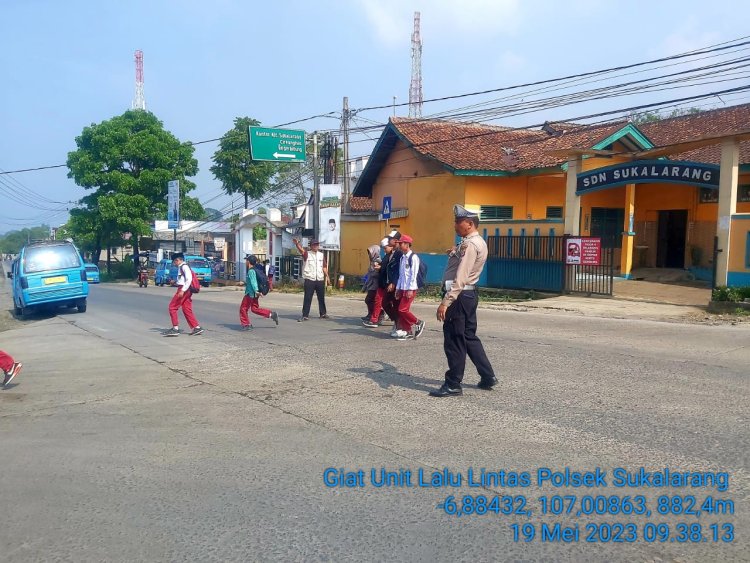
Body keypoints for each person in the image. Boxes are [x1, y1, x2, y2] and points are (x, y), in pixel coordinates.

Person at [429, 205, 497, 397]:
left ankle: (453, 383)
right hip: (468, 296)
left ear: (470, 224)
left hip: (459, 296)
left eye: (458, 222)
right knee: (469, 337)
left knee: (455, 339)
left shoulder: (470, 245)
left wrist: (446, 301)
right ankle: (488, 376)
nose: (455, 225)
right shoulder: (472, 243)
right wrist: (455, 252)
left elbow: (461, 276)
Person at [394, 235, 426, 341]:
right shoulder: (402, 258)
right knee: (402, 310)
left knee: (402, 309)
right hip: (403, 287)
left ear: (407, 244)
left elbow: (413, 275)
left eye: (401, 243)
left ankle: (418, 322)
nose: (399, 245)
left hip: (410, 288)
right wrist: (398, 289)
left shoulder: (413, 257)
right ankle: (407, 331)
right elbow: (401, 275)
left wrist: (411, 289)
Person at [164, 252, 204, 337]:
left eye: (174, 261)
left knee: (172, 307)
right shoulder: (182, 267)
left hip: (184, 290)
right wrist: (175, 282)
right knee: (186, 309)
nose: (174, 263)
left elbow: (188, 279)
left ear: (178, 260)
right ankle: (196, 327)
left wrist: (182, 290)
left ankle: (175, 328)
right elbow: (182, 279)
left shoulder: (184, 266)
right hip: (185, 289)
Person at [239, 255, 279, 331]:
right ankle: (271, 314)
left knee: (243, 309)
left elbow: (254, 282)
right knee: (254, 309)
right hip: (254, 294)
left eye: (246, 261)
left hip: (250, 294)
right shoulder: (255, 270)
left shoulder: (251, 271)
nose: (245, 262)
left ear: (249, 262)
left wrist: (256, 291)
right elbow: (252, 282)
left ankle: (246, 324)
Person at [293, 238, 329, 321]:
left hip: (319, 278)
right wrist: (297, 244)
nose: (316, 246)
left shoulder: (321, 255)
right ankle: (305, 315)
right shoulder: (307, 254)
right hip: (310, 279)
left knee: (321, 297)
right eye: (314, 245)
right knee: (308, 298)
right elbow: (301, 250)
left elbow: (324, 266)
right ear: (311, 246)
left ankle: (323, 313)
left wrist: (327, 276)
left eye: (317, 245)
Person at [362, 244, 382, 323]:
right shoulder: (372, 261)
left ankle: (379, 313)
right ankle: (371, 314)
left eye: (370, 252)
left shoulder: (377, 261)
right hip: (371, 284)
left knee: (369, 300)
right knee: (370, 300)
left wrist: (372, 274)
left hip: (375, 285)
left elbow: (377, 273)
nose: (369, 254)